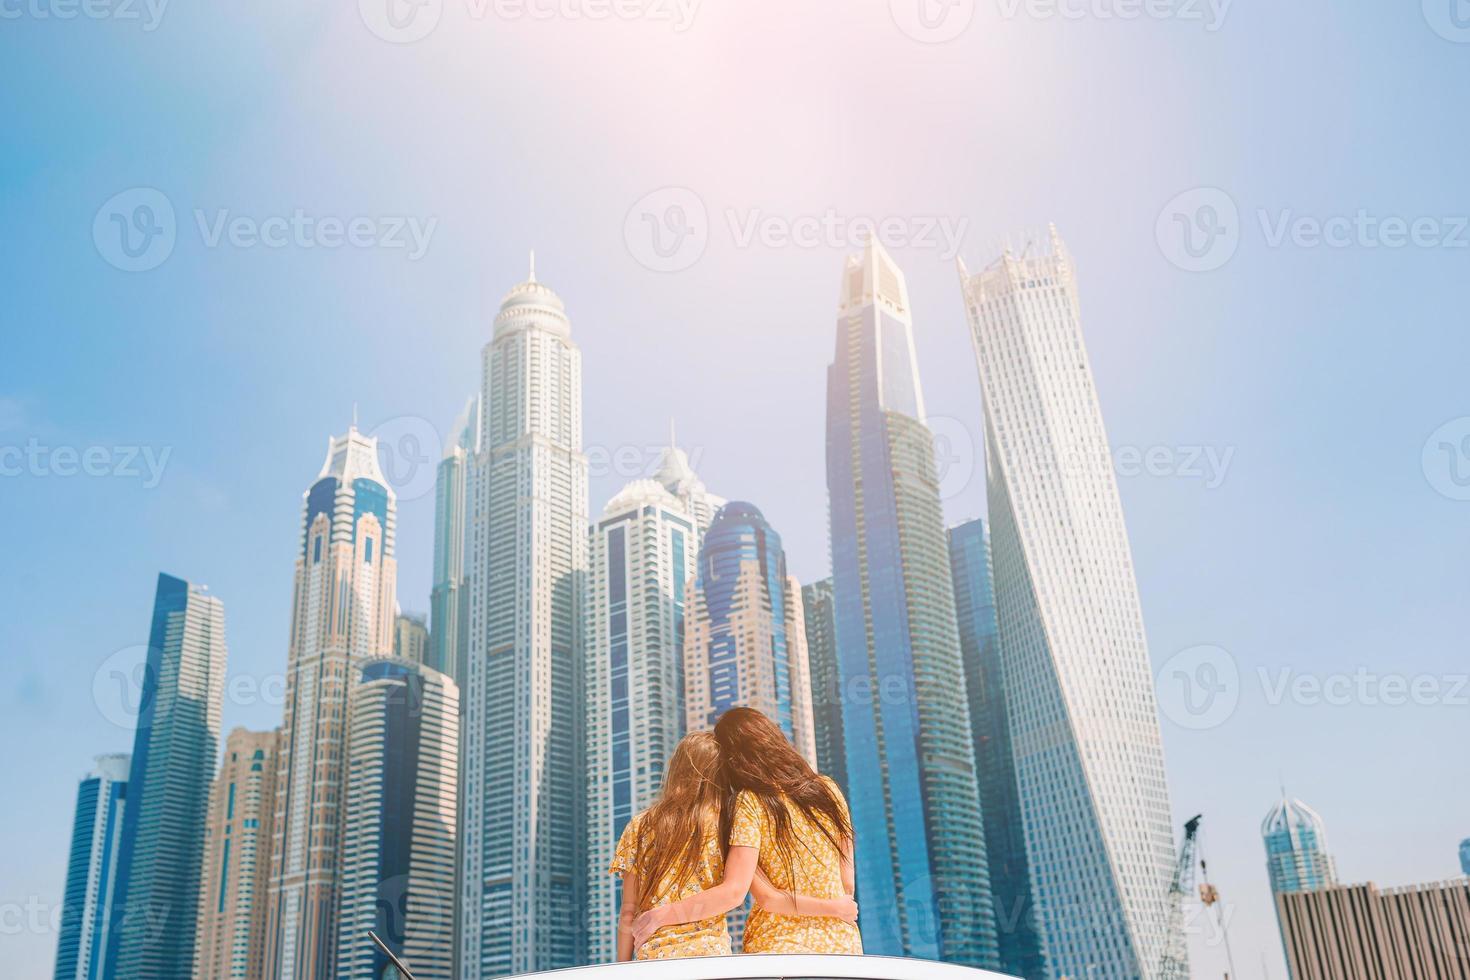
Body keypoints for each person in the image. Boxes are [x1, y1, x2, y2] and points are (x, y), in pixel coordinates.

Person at [631, 707, 862, 955]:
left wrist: (659, 916)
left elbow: (751, 895)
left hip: (779, 950)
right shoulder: (827, 789)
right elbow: (847, 884)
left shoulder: (750, 802)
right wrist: (836, 909)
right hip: (842, 948)